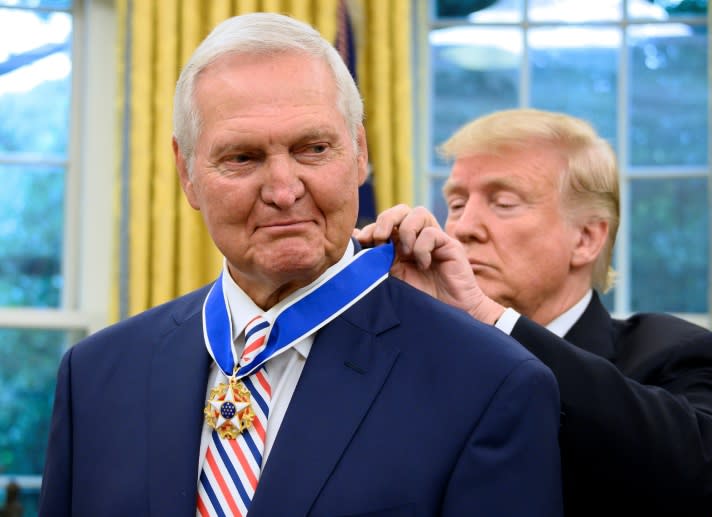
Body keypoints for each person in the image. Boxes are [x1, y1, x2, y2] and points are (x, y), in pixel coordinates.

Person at [38, 14, 563, 517]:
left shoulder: (488, 382)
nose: (285, 191)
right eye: (242, 158)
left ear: (359, 153)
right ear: (186, 172)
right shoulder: (95, 378)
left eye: (313, 148)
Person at [355, 109, 712, 517]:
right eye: (455, 203)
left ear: (586, 239)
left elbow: (700, 477)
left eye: (503, 203)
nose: (463, 226)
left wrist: (490, 317)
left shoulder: (676, 353)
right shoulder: (412, 359)